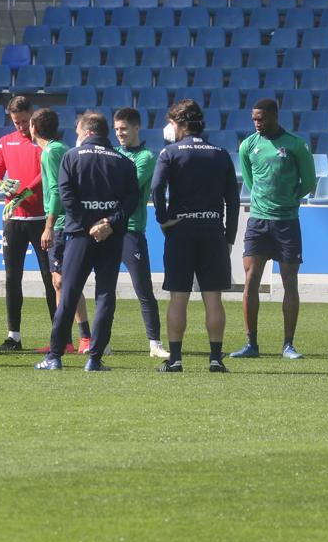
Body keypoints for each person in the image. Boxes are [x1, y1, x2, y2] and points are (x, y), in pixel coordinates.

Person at [35, 113, 138, 372]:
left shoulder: (72, 156)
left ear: (87, 131)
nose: (76, 135)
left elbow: (65, 195)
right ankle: (94, 358)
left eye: (78, 130)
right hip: (111, 237)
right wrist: (109, 224)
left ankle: (55, 356)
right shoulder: (124, 162)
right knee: (105, 296)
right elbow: (131, 201)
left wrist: (87, 224)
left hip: (80, 236)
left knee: (68, 294)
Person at [150, 99, 240, 373]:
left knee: (179, 296)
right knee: (213, 298)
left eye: (172, 123)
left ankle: (175, 358)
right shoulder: (220, 153)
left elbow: (156, 188)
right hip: (213, 229)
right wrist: (229, 237)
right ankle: (215, 358)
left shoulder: (170, 153)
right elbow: (232, 201)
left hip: (182, 230)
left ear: (181, 123)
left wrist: (163, 219)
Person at [233, 98, 316, 360]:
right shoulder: (248, 145)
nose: (257, 123)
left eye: (262, 118)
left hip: (287, 221)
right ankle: (251, 344)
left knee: (289, 281)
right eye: (254, 119)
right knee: (251, 280)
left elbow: (309, 181)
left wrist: (290, 199)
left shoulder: (295, 144)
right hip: (257, 222)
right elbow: (249, 179)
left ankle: (288, 345)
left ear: (275, 116)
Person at [0, 95, 56, 351]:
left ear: (33, 116)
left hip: (41, 219)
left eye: (24, 121)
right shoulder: (5, 142)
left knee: (50, 277)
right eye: (16, 122)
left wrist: (25, 191)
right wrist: (1, 185)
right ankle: (13, 337)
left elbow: (46, 173)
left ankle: (57, 335)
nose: (20, 126)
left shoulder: (44, 143)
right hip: (13, 219)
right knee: (11, 277)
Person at [113, 107, 165, 358]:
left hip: (131, 230)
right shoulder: (113, 153)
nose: (120, 133)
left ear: (136, 128)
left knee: (143, 289)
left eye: (124, 129)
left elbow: (126, 186)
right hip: (108, 228)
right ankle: (102, 342)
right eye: (116, 130)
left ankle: (154, 342)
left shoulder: (146, 156)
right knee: (105, 287)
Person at [34, 108, 82, 356]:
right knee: (66, 281)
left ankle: (67, 340)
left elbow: (55, 191)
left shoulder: (50, 152)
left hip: (62, 223)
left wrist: (49, 226)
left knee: (60, 281)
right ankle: (76, 338)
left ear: (34, 128)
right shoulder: (64, 149)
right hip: (72, 221)